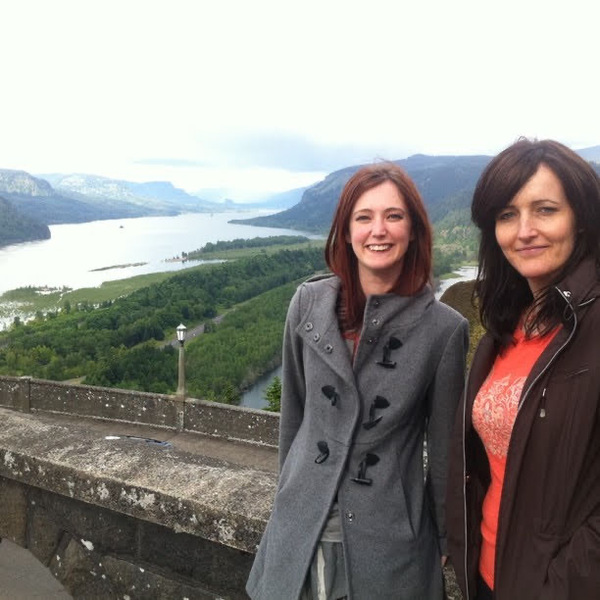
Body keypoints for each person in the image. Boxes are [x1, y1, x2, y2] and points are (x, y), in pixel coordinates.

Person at [247, 163, 469, 600]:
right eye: (363, 217)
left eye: (394, 216)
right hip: (300, 527)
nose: (378, 230)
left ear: (414, 229)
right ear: (346, 232)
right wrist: (288, 500)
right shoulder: (307, 304)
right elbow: (294, 417)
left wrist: (444, 538)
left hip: (388, 537)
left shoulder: (444, 330)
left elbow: (444, 450)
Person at [446, 138, 600, 599]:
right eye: (507, 215)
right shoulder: (508, 326)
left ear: (582, 219)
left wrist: (563, 584)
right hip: (488, 575)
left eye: (546, 210)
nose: (524, 230)